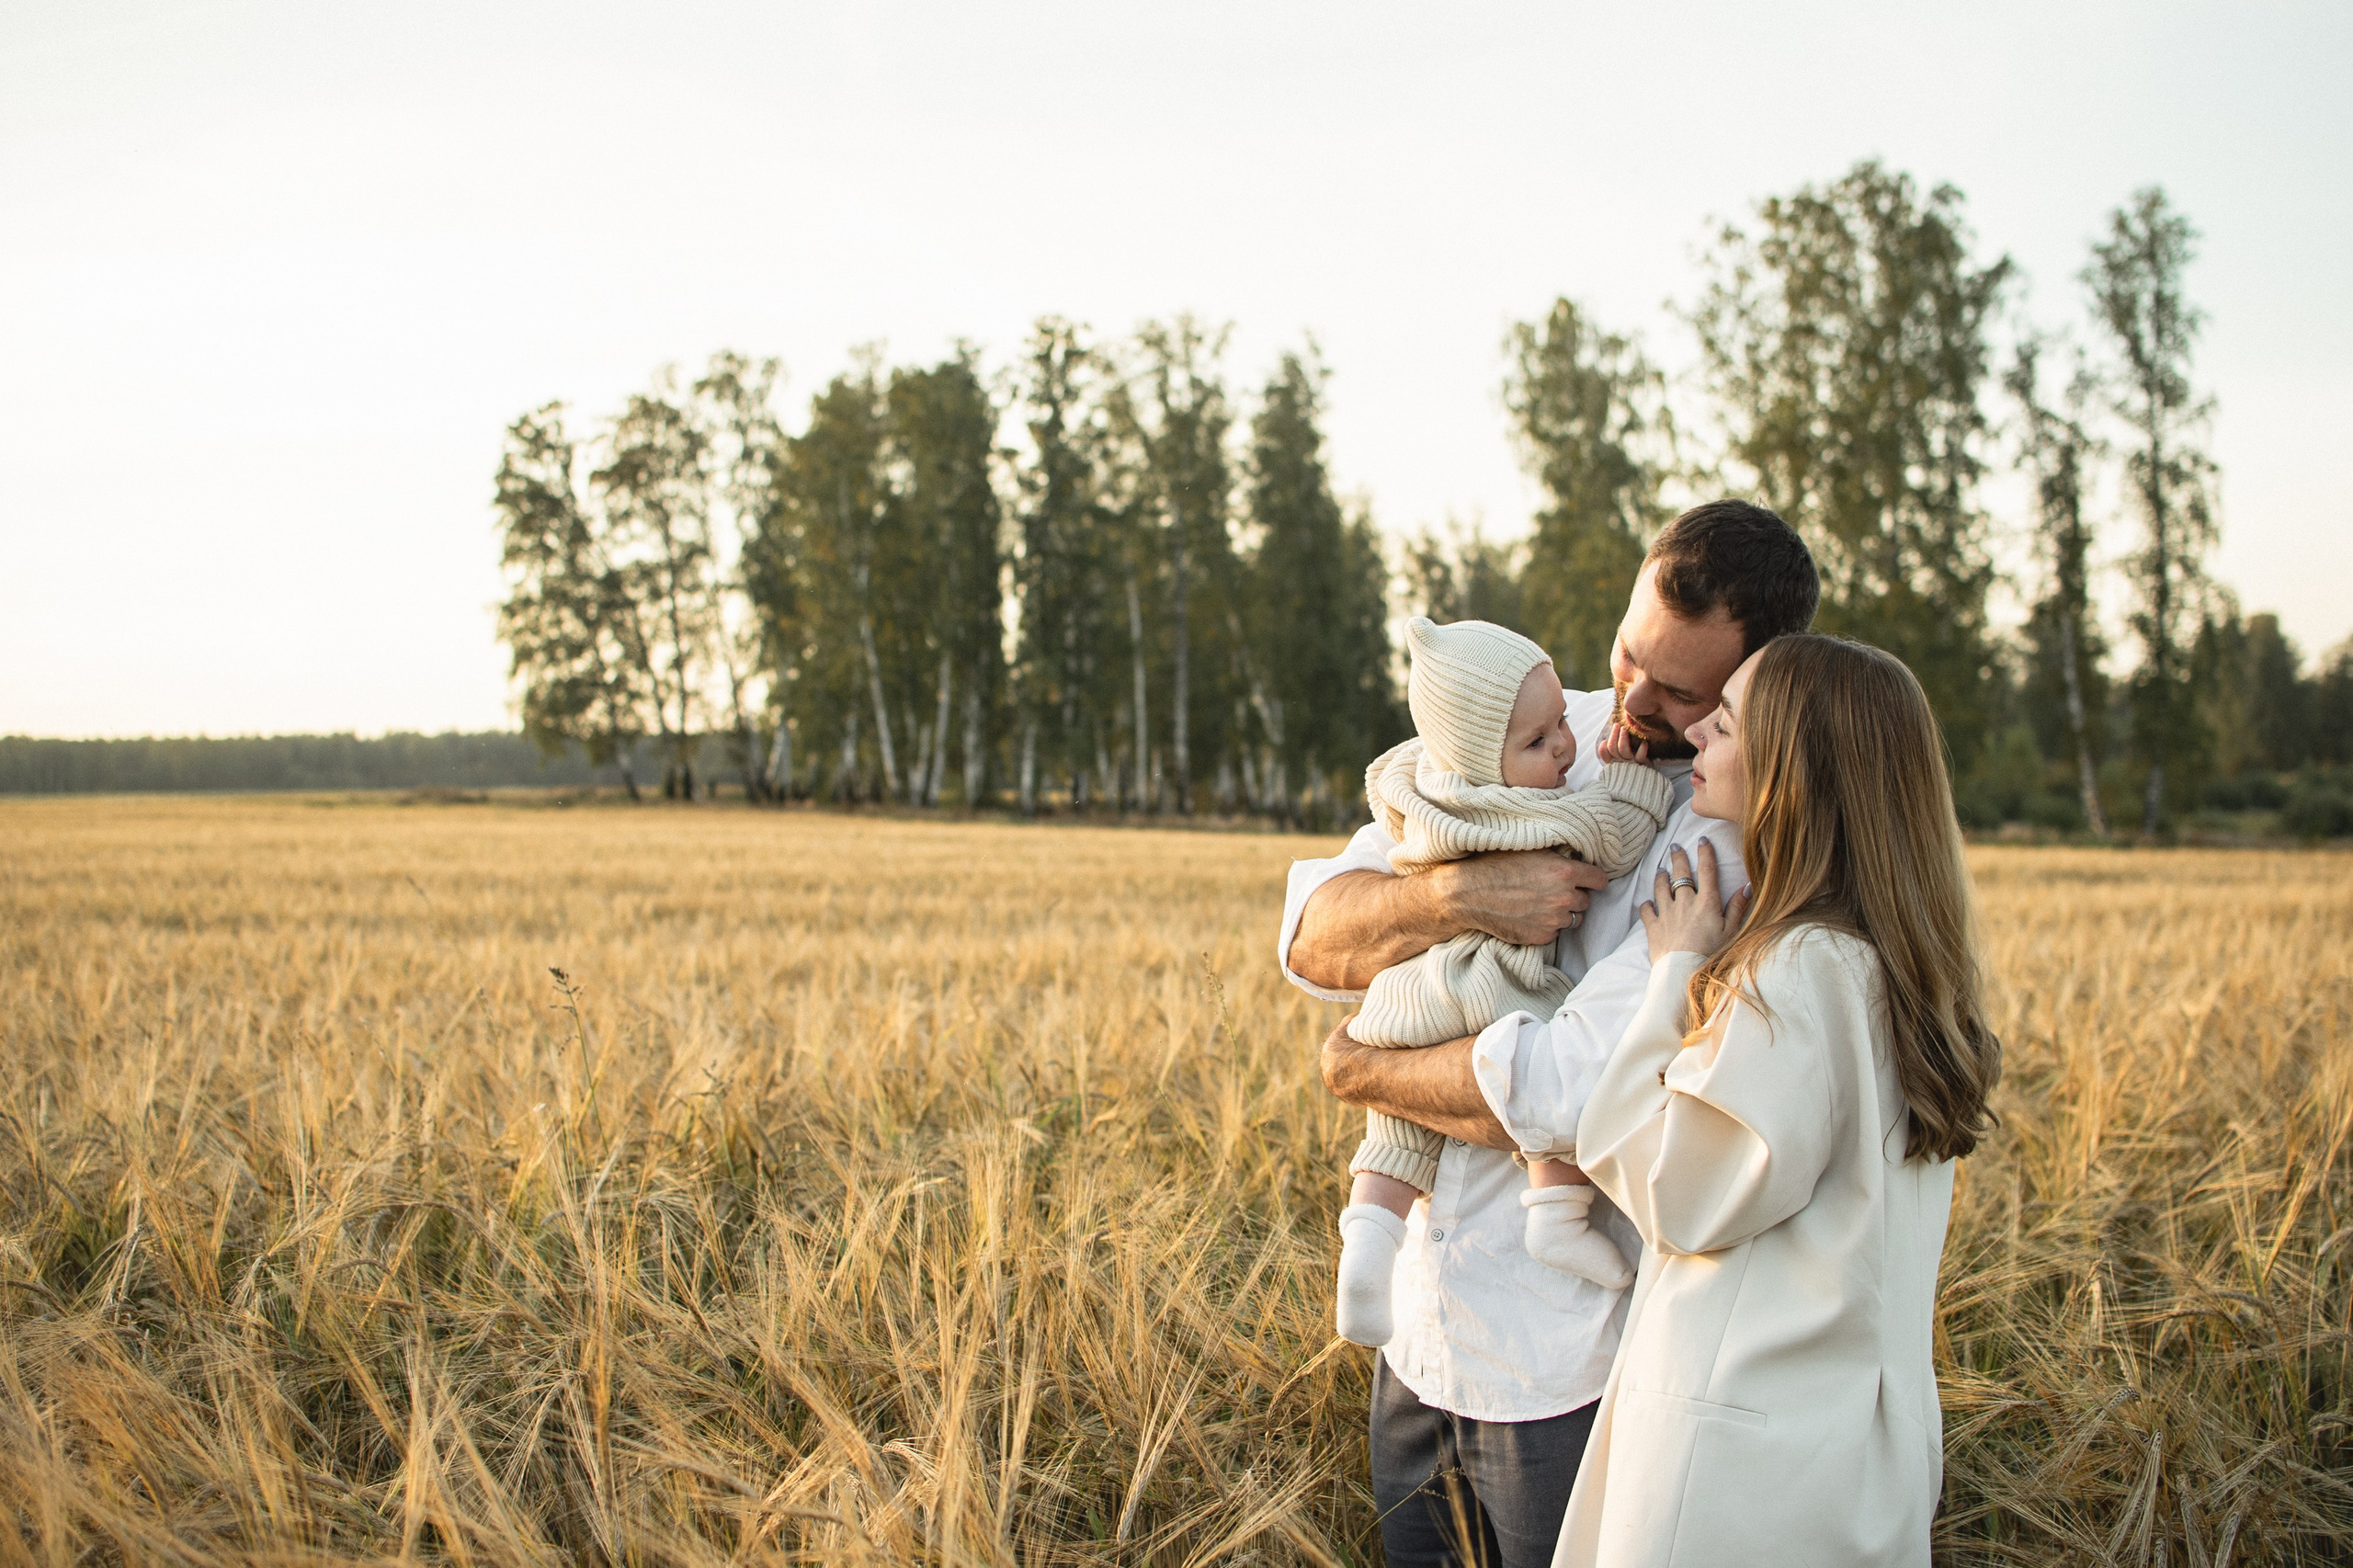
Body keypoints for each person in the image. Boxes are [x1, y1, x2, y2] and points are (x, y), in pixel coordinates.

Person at [1279, 499, 1819, 1567]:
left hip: (1574, 1361)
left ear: (1762, 681)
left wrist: (1361, 1068)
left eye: (1682, 690)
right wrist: (1458, 900)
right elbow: (1310, 934)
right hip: (1418, 1335)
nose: (1635, 696)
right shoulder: (1526, 717)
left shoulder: (1733, 833)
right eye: (1630, 654)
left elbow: (1582, 1095)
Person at [1555, 633, 2000, 1567]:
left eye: (1725, 720)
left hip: (1737, 1475)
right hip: (1848, 1458)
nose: (1699, 736)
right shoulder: (1901, 973)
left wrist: (1672, 970)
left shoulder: (1802, 969)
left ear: (1793, 769)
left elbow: (1678, 1190)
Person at [1336, 615, 1672, 1349]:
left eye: (1559, 721)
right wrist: (1634, 783)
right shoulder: (1527, 812)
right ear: (1484, 762)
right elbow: (1614, 838)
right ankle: (1556, 1215)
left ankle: (1368, 1239)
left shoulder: (1421, 788)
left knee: (1395, 1122)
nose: (1565, 746)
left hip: (1407, 994)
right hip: (1490, 984)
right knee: (1550, 1051)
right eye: (1537, 741)